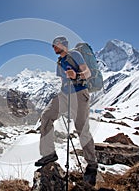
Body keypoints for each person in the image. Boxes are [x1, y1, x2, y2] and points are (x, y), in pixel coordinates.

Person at [34, 36, 98, 186]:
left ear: (63, 45)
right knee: (46, 116)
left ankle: (92, 164)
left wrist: (77, 76)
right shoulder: (59, 62)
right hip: (64, 95)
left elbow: (87, 73)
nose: (53, 47)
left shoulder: (75, 55)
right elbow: (63, 81)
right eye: (52, 45)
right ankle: (49, 154)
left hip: (79, 94)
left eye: (55, 44)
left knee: (82, 128)